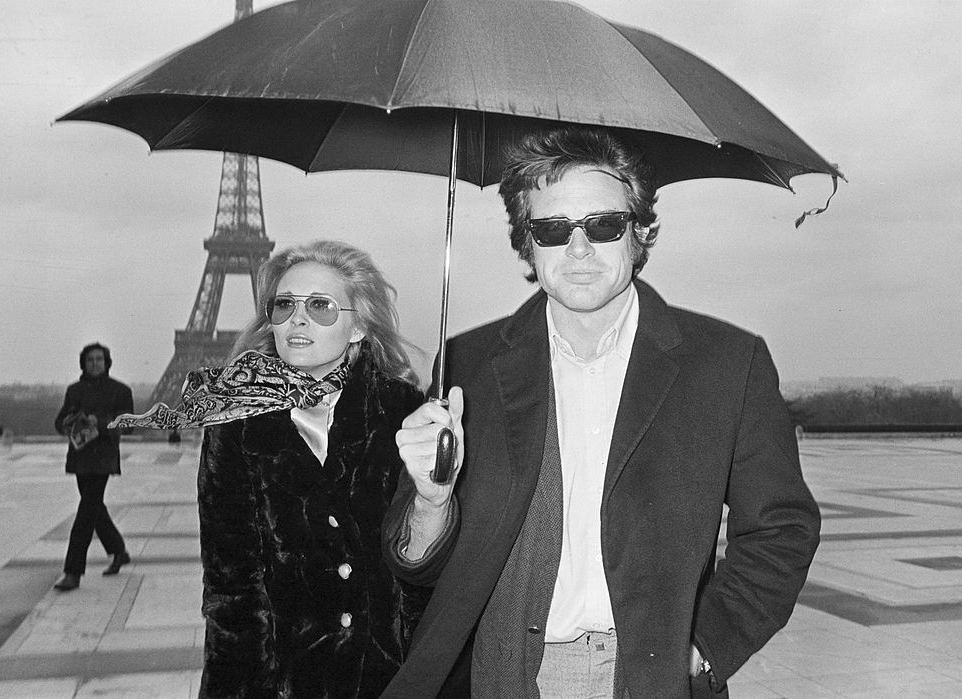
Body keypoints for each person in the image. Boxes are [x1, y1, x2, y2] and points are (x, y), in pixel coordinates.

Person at [383, 126, 821, 698]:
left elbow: (782, 529)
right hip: (501, 674)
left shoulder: (726, 363)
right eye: (553, 230)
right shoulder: (468, 363)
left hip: (647, 677)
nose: (580, 250)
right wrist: (429, 501)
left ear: (638, 232)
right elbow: (414, 565)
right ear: (526, 242)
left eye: (604, 225)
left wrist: (705, 647)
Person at [190, 240, 428, 697]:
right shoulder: (236, 426)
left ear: (357, 326)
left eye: (319, 305)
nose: (296, 319)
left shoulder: (404, 413)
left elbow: (421, 571)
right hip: (287, 680)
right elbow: (231, 590)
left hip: (388, 675)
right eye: (284, 305)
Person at [52, 342, 134, 591]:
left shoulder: (120, 390)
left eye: (99, 359)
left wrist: (98, 422)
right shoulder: (74, 390)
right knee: (94, 508)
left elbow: (127, 425)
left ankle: (73, 572)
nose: (95, 364)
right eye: (90, 360)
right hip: (80, 456)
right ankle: (119, 550)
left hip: (103, 457)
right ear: (83, 363)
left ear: (107, 362)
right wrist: (68, 422)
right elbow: (59, 422)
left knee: (85, 514)